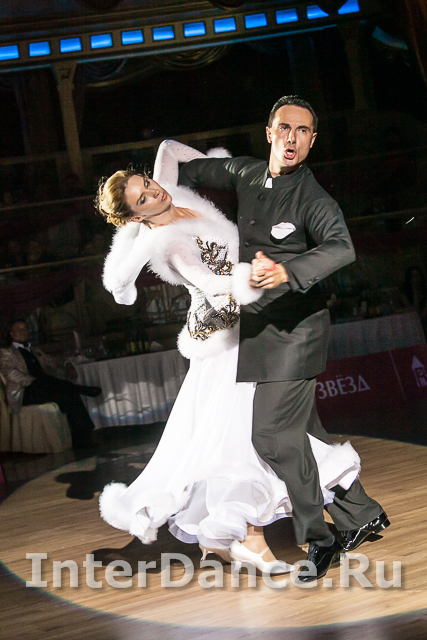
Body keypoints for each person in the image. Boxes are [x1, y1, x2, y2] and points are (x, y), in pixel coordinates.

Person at [96, 138, 361, 576]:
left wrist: (216, 166)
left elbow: (169, 148)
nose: (154, 192)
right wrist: (253, 277)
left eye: (147, 183)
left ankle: (272, 530)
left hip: (247, 326)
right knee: (240, 437)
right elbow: (213, 285)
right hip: (226, 340)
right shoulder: (167, 241)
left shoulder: (171, 194)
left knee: (262, 428)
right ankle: (249, 538)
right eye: (143, 199)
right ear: (136, 217)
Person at [178, 95, 390, 582]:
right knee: (305, 436)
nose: (292, 137)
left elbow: (341, 247)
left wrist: (287, 272)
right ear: (270, 132)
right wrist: (156, 199)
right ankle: (361, 513)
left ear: (312, 140)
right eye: (285, 128)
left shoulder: (313, 197)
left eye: (303, 130)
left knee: (270, 435)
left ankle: (320, 537)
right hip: (256, 330)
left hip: (296, 333)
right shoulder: (245, 172)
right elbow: (187, 169)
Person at [0, 319, 101, 449]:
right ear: (12, 333)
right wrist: (32, 381)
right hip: (25, 391)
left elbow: (53, 361)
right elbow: (9, 372)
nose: (23, 331)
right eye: (18, 329)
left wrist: (67, 364)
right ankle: (80, 390)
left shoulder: (34, 350)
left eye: (25, 328)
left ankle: (82, 436)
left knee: (68, 394)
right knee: (63, 388)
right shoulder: (6, 352)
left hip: (45, 387)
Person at [401, 266, 427, 338]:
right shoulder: (404, 295)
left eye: (418, 276)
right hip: (412, 324)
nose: (416, 278)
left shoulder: (425, 292)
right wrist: (415, 292)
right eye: (413, 276)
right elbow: (414, 312)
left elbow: (424, 314)